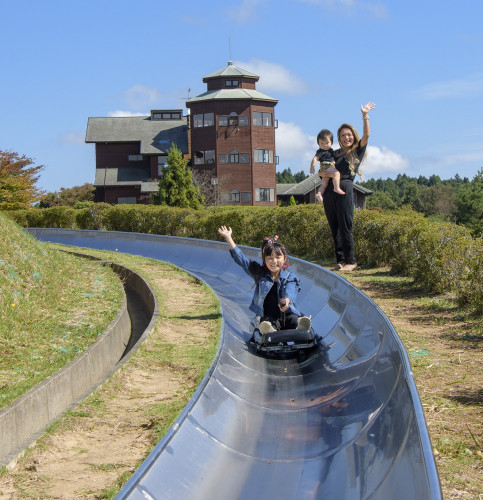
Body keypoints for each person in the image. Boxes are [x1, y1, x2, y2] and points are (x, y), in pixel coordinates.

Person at [310, 102, 376, 272]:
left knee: (346, 226)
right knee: (335, 226)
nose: (347, 138)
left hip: (344, 187)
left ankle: (351, 261)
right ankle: (340, 260)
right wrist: (320, 172)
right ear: (338, 138)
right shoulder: (333, 153)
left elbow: (367, 135)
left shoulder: (356, 151)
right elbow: (323, 167)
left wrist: (365, 116)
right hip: (330, 190)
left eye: (349, 135)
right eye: (343, 135)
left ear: (353, 136)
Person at [217, 225, 311, 334]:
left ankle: (300, 325)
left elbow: (291, 289)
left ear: (284, 259)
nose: (274, 261)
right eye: (270, 258)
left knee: (293, 319)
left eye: (278, 257)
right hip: (268, 316)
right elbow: (241, 260)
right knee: (266, 322)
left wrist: (287, 300)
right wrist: (228, 238)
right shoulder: (260, 275)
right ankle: (269, 330)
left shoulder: (289, 276)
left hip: (286, 314)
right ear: (264, 260)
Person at [309, 129, 345, 202]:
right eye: (322, 143)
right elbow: (315, 158)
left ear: (331, 142)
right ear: (318, 144)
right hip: (326, 165)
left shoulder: (331, 151)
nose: (325, 145)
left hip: (325, 169)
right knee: (337, 173)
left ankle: (319, 193)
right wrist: (312, 166)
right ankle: (336, 187)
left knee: (324, 184)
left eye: (327, 143)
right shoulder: (320, 151)